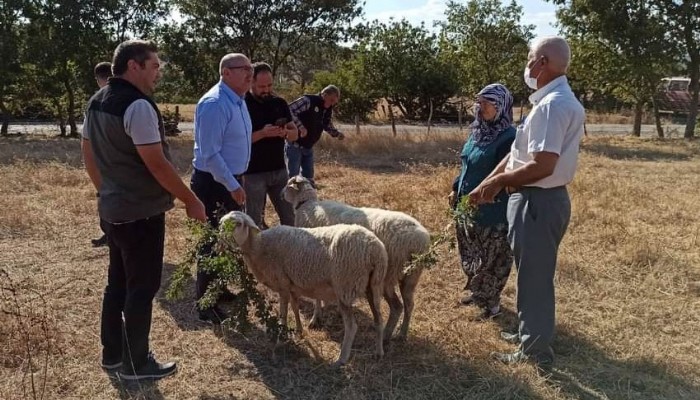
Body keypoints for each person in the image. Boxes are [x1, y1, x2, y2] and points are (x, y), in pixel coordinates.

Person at [81, 39, 206, 380]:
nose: (158, 73)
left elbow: (88, 154)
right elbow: (158, 165)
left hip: (113, 209)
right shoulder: (137, 107)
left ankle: (113, 355)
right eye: (154, 66)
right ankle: (137, 364)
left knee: (117, 285)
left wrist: (105, 192)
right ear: (133, 66)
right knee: (141, 288)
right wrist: (191, 200)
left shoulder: (96, 101)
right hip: (140, 214)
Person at [469, 36, 585, 370]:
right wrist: (489, 180)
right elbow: (518, 154)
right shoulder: (551, 101)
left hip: (538, 200)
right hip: (538, 200)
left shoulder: (552, 106)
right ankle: (528, 333)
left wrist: (499, 182)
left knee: (535, 277)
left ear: (543, 62)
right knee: (530, 272)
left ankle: (534, 350)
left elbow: (542, 165)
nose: (527, 63)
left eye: (530, 57)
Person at [190, 53, 253, 324]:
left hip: (230, 180)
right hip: (214, 184)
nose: (250, 74)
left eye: (251, 68)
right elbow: (211, 154)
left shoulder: (238, 101)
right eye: (244, 69)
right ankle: (205, 304)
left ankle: (219, 289)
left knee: (225, 241)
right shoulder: (214, 104)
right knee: (211, 242)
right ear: (226, 73)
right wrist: (233, 185)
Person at [450, 83, 516, 321]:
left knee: (493, 258)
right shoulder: (478, 132)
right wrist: (456, 188)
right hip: (467, 206)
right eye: (479, 102)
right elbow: (467, 163)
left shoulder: (510, 138)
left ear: (501, 106)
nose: (480, 107)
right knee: (472, 253)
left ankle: (492, 305)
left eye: (487, 103)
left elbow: (505, 174)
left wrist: (483, 196)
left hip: (492, 211)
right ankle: (477, 293)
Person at [244, 62, 298, 227]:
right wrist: (262, 133)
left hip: (279, 170)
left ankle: (291, 250)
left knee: (290, 217)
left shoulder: (279, 103)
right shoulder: (242, 104)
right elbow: (239, 141)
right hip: (252, 173)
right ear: (251, 82)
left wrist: (286, 133)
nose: (266, 90)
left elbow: (295, 133)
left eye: (269, 85)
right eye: (261, 86)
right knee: (254, 221)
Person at [287, 85, 345, 185]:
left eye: (334, 102)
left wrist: (337, 133)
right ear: (324, 95)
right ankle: (290, 200)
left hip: (308, 146)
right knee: (293, 180)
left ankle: (308, 199)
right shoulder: (308, 101)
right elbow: (289, 110)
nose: (332, 104)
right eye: (331, 100)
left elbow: (326, 124)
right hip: (295, 145)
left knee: (309, 179)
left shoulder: (327, 108)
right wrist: (300, 127)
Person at [89, 62, 113, 248]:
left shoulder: (97, 101)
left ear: (99, 79)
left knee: (105, 196)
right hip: (112, 159)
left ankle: (111, 233)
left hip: (105, 159)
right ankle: (109, 233)